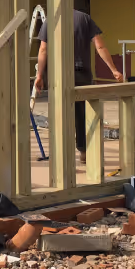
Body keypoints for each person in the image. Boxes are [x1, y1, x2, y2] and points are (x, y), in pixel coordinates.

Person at [33, 10, 122, 164]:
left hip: (58, 76)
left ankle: (61, 154)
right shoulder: (84, 18)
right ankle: (83, 152)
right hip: (82, 74)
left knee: (60, 113)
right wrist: (114, 70)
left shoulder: (50, 21)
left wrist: (39, 75)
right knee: (81, 115)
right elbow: (100, 47)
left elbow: (43, 50)